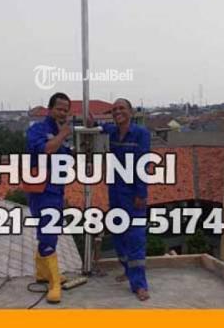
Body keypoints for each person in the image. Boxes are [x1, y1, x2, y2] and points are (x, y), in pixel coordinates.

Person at [100, 98, 151, 301]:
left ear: (131, 112)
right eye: (114, 109)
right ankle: (128, 271)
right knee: (118, 234)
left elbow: (143, 164)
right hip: (115, 192)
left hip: (133, 193)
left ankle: (139, 285)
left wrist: (141, 193)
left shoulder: (141, 134)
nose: (117, 112)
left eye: (121, 108)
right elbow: (100, 127)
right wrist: (91, 122)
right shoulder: (112, 132)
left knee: (135, 237)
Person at [26, 92, 72, 303]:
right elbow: (45, 150)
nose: (62, 113)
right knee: (49, 233)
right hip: (41, 190)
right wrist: (63, 135)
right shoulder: (37, 130)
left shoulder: (59, 133)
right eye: (59, 109)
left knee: (48, 231)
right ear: (50, 109)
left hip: (56, 190)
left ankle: (42, 273)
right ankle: (54, 284)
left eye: (65, 110)